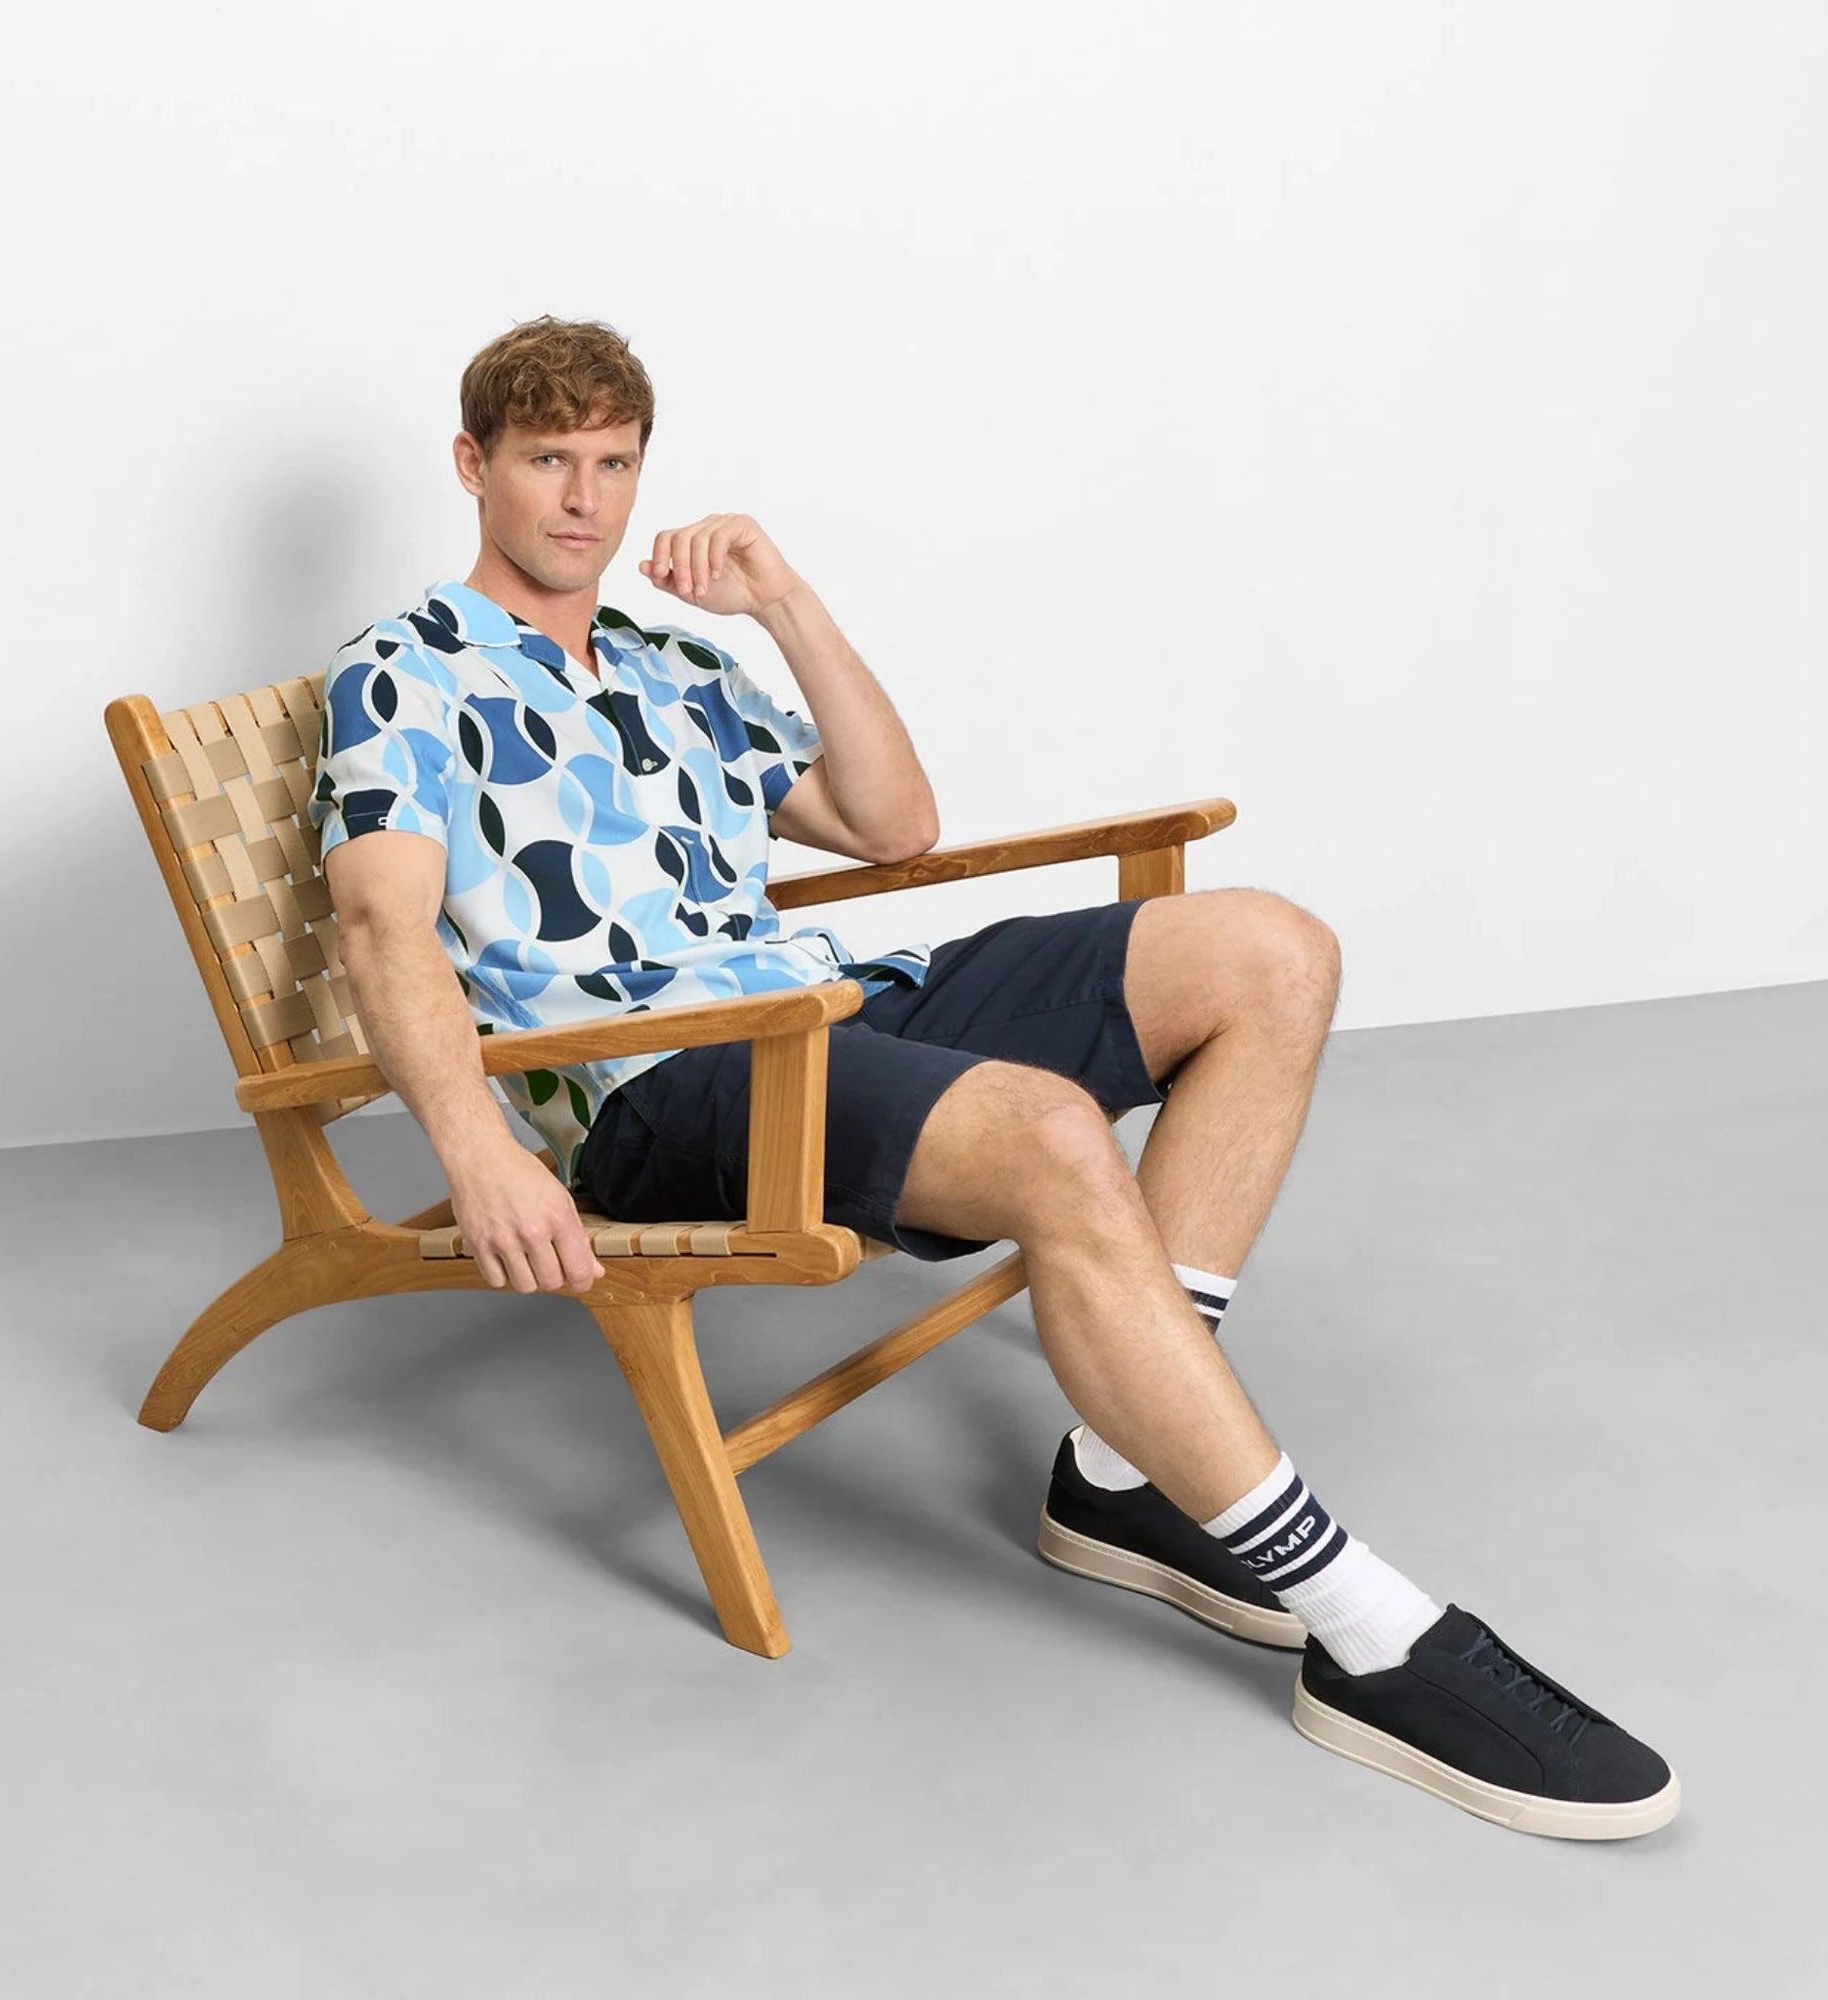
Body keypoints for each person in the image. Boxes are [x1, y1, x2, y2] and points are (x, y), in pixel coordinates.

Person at [309, 314, 1679, 1842]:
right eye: (546, 460)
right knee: (1048, 1131)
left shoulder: (670, 659)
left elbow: (893, 822)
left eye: (613, 462)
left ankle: (1123, 1465)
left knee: (1272, 952)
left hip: (835, 1011)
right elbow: (381, 922)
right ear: (471, 467)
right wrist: (485, 1155)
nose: (584, 498)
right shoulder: (403, 673)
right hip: (666, 1085)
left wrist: (785, 602)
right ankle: (1364, 1627)